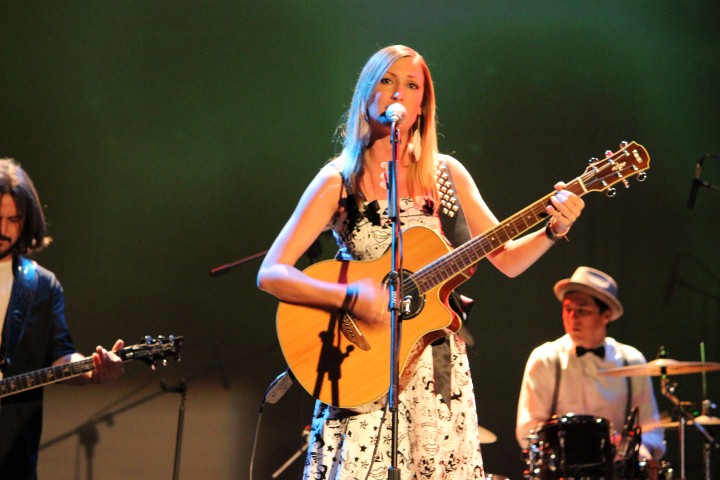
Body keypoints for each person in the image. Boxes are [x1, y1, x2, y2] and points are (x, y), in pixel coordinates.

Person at [257, 45, 584, 479]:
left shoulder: (445, 174)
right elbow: (272, 273)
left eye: (412, 86)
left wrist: (553, 230)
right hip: (360, 365)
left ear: (422, 106)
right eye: (388, 80)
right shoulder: (338, 180)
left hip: (433, 369)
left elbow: (506, 259)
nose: (399, 93)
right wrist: (351, 296)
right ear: (367, 93)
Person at [0, 158, 125, 479]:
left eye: (13, 220)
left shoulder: (42, 285)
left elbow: (61, 355)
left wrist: (93, 369)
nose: (3, 230)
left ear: (27, 221)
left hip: (12, 456)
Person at [516, 266, 666, 469]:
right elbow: (527, 429)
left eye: (582, 310)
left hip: (616, 470)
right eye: (567, 309)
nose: (572, 317)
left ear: (606, 315)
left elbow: (652, 431)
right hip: (562, 470)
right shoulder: (545, 358)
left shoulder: (632, 360)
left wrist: (632, 450)